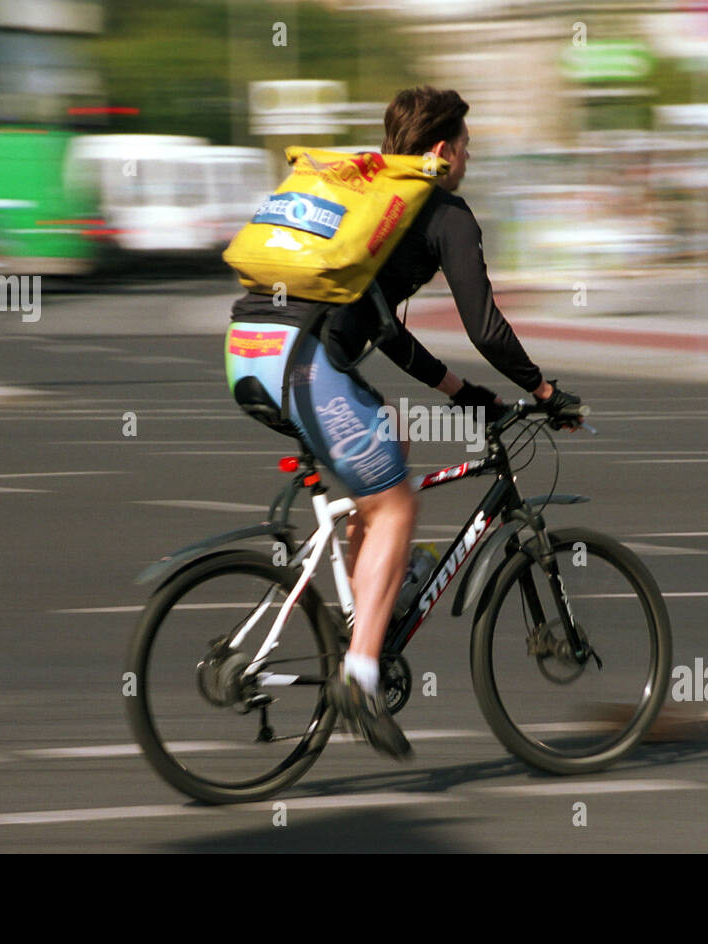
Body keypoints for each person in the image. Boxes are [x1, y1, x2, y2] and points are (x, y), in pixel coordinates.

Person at [224, 86, 582, 759]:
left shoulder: (375, 200)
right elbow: (486, 327)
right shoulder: (444, 213)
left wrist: (464, 393)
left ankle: (367, 614)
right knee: (395, 508)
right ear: (444, 151)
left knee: (386, 437)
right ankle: (358, 676)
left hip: (249, 349)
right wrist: (541, 388)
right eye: (467, 147)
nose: (469, 159)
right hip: (304, 363)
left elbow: (384, 332)